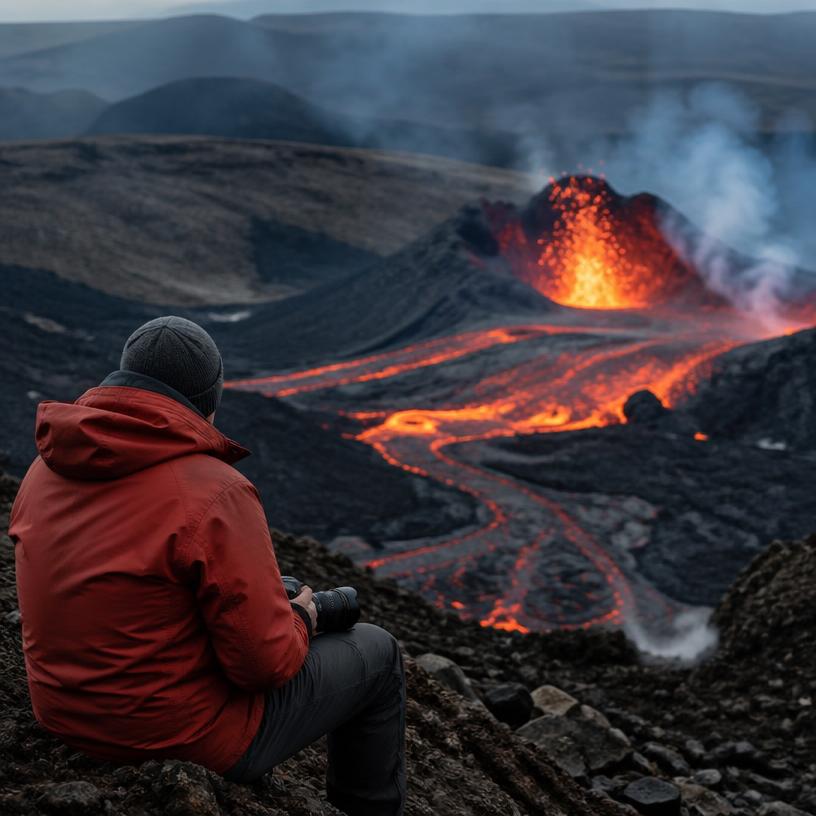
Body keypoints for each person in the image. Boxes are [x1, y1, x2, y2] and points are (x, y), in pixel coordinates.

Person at [9, 316, 406, 816]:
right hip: (174, 734)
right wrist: (302, 617)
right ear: (209, 401)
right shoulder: (213, 490)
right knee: (377, 651)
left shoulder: (42, 468)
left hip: (63, 712)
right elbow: (265, 664)